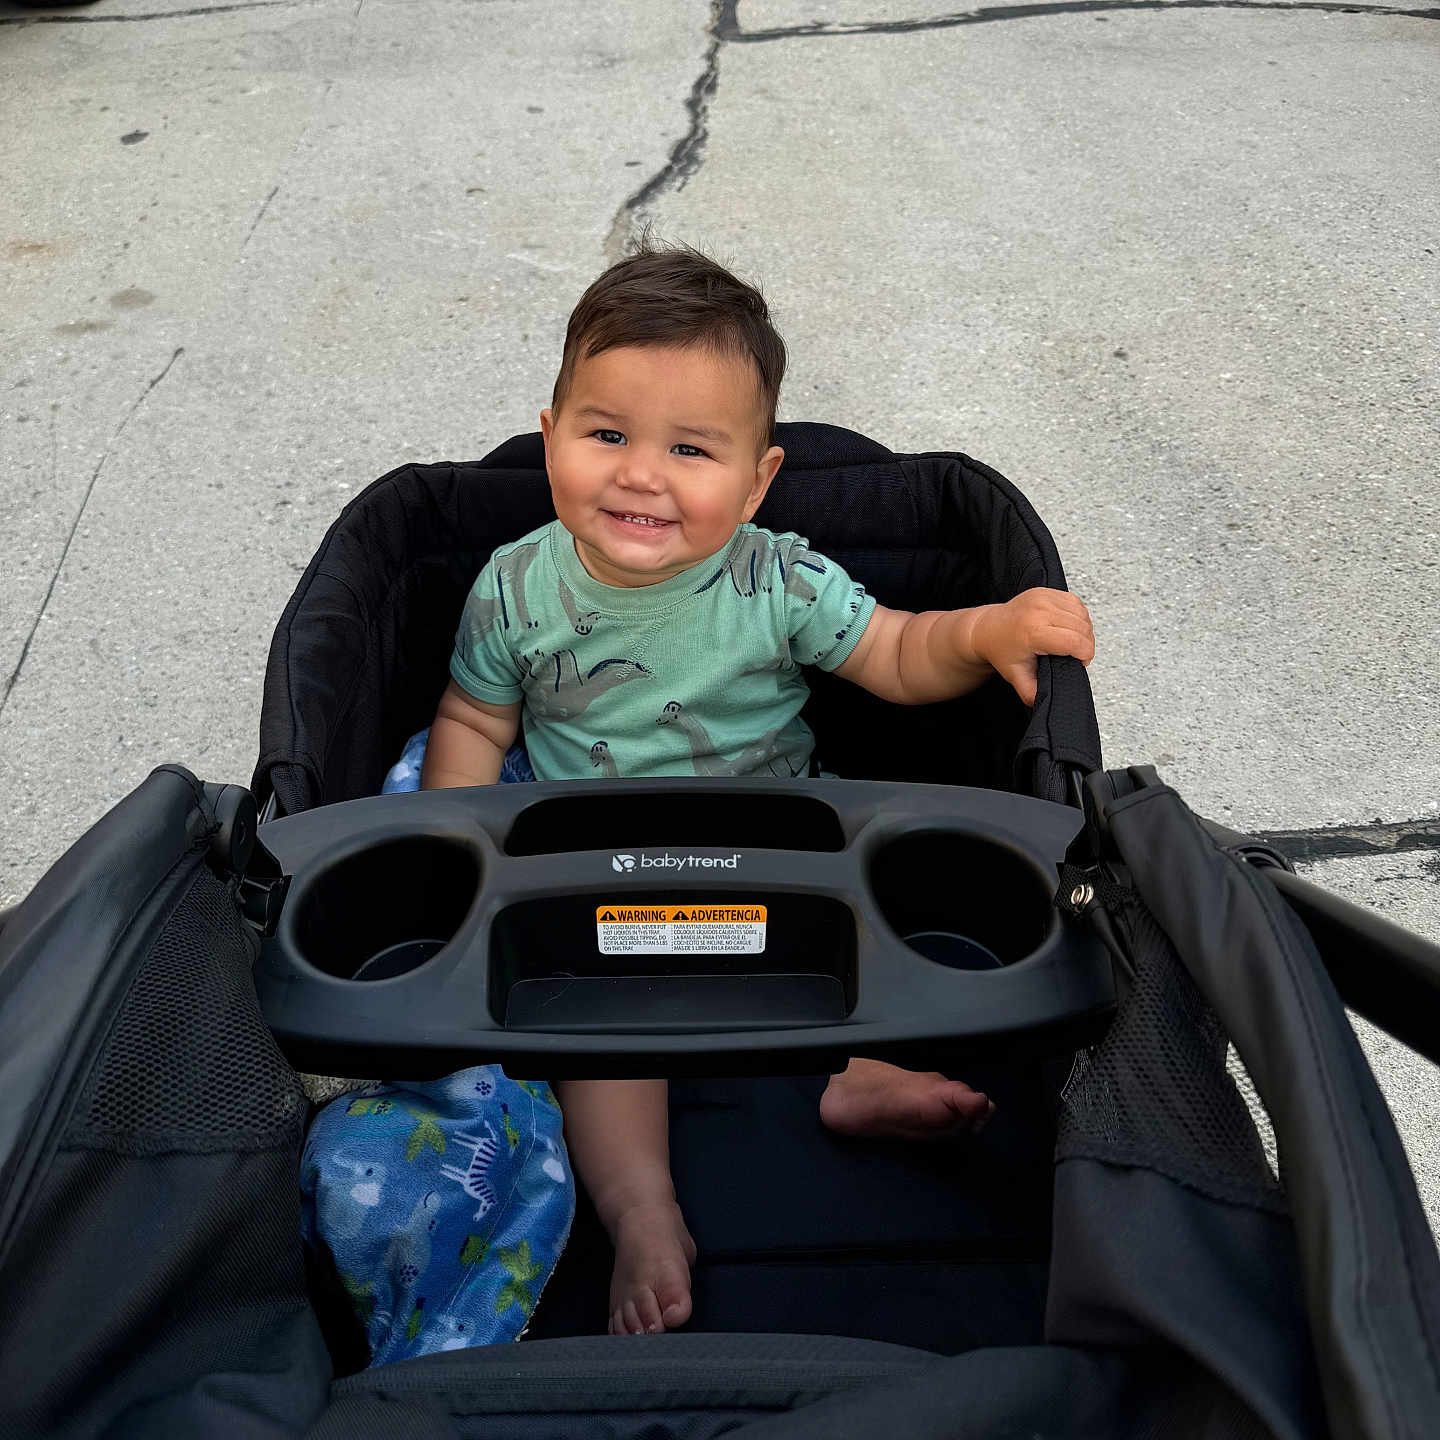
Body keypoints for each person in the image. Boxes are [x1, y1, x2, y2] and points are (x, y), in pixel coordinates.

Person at [420, 241, 1095, 1338]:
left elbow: (897, 650)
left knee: (874, 917)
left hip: (780, 847)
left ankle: (859, 1071)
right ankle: (643, 1209)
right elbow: (471, 718)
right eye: (606, 436)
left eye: (691, 449)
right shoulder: (514, 586)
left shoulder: (776, 578)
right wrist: (446, 844)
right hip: (595, 870)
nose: (641, 474)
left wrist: (988, 628)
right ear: (550, 439)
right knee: (592, 1027)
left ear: (758, 478)